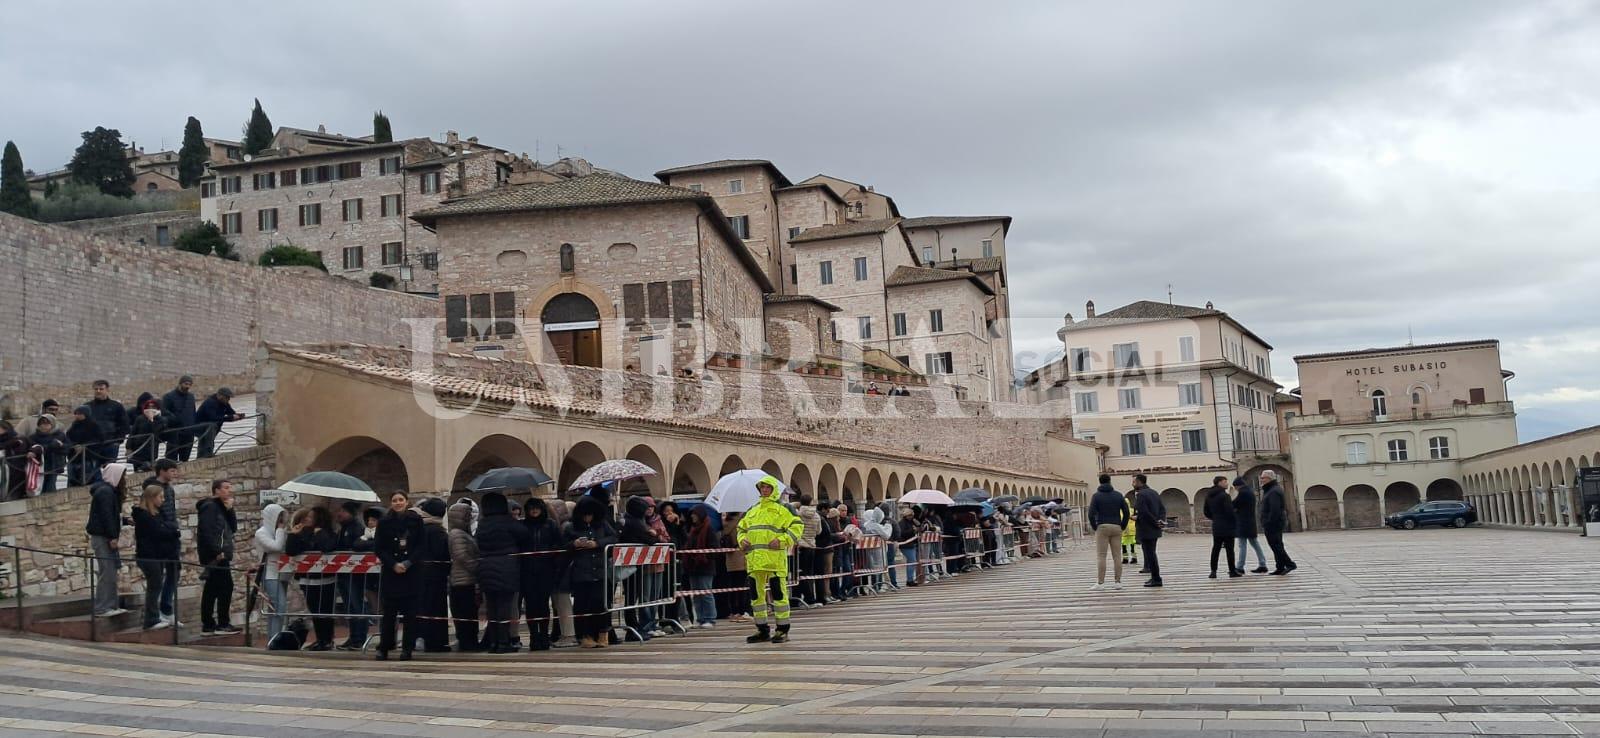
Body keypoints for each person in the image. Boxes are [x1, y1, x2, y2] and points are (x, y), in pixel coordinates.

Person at [737, 476, 801, 644]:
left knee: (779, 596)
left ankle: (782, 630)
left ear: (773, 489)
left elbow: (797, 527)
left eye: (767, 487)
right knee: (756, 597)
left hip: (774, 560)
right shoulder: (752, 509)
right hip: (754, 560)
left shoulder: (784, 508)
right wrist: (741, 540)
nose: (764, 490)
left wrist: (782, 540)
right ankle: (762, 629)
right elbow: (741, 529)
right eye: (762, 487)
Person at [475, 491, 532, 654]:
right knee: (504, 606)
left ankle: (493, 642)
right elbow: (524, 535)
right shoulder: (507, 521)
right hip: (506, 567)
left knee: (492, 607)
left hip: (485, 566)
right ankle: (504, 642)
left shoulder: (483, 524)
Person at [374, 492, 422, 661]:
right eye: (394, 500)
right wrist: (393, 564)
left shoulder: (416, 520)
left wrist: (408, 562)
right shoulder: (384, 522)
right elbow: (379, 548)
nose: (398, 503)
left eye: (401, 500)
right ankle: (384, 647)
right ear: (391, 503)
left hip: (411, 572)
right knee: (389, 614)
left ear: (407, 502)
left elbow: (421, 545)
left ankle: (407, 648)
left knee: (410, 614)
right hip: (391, 571)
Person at [564, 495, 616, 648]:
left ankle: (602, 633)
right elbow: (563, 545)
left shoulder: (602, 525)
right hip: (581, 573)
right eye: (585, 515)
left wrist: (597, 543)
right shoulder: (571, 527)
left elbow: (613, 538)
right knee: (582, 605)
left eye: (590, 515)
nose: (588, 518)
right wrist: (574, 544)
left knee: (601, 603)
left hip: (600, 572)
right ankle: (585, 635)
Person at [286, 505, 339, 651]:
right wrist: (293, 534)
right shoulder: (303, 533)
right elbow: (291, 550)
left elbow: (327, 547)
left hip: (325, 579)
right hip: (307, 579)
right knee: (315, 611)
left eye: (310, 517)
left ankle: (327, 640)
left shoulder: (328, 532)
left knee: (325, 611)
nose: (307, 519)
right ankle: (320, 639)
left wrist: (319, 534)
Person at [132, 483, 181, 630]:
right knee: (155, 586)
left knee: (157, 586)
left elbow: (164, 527)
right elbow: (159, 532)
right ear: (152, 498)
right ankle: (151, 619)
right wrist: (173, 532)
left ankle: (156, 616)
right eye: (160, 497)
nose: (163, 500)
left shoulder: (156, 514)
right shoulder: (145, 516)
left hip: (156, 555)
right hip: (148, 556)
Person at [85, 462, 131, 617]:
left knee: (111, 571)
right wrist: (112, 537)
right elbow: (106, 516)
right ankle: (101, 607)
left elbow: (111, 515)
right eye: (122, 475)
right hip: (103, 537)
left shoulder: (109, 492)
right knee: (107, 571)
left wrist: (125, 521)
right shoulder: (105, 492)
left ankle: (111, 605)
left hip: (106, 536)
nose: (124, 479)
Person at [195, 479, 240, 635]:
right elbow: (205, 531)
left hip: (222, 553)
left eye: (230, 487)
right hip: (215, 555)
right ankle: (221, 623)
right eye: (226, 488)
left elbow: (232, 528)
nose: (229, 491)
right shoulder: (210, 507)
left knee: (213, 588)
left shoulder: (222, 507)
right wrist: (216, 551)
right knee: (225, 586)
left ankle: (210, 624)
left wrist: (230, 510)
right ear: (217, 490)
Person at [521, 497, 564, 650]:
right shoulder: (523, 525)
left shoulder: (550, 525)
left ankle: (544, 635)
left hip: (546, 569)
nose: (534, 510)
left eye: (537, 507)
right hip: (527, 571)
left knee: (544, 604)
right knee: (531, 605)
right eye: (531, 508)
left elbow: (559, 543)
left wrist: (551, 555)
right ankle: (534, 636)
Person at [328, 501, 372, 651]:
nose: (339, 513)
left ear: (350, 513)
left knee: (356, 604)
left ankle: (359, 638)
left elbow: (357, 547)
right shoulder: (343, 528)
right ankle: (353, 636)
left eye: (343, 511)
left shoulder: (357, 528)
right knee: (350, 606)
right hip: (344, 573)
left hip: (354, 574)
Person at [619, 494, 663, 639]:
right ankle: (632, 627)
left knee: (633, 597)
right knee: (632, 597)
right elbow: (649, 540)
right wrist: (653, 534)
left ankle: (634, 625)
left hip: (631, 563)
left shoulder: (628, 520)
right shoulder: (635, 523)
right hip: (631, 564)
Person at [144, 459, 181, 624]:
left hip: (172, 535)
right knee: (157, 578)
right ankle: (155, 614)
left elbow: (171, 511)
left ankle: (166, 608)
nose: (175, 474)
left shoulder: (170, 490)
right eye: (172, 471)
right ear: (162, 471)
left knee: (174, 572)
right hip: (160, 537)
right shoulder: (151, 488)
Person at [414, 497, 453, 652]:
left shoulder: (419, 529)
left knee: (422, 607)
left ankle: (420, 638)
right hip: (435, 577)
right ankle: (436, 642)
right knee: (436, 609)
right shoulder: (438, 531)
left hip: (419, 575)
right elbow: (442, 554)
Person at [446, 500, 480, 652]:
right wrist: (476, 567)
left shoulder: (462, 533)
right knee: (464, 613)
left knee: (469, 613)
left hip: (466, 579)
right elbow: (461, 555)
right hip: (462, 580)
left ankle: (470, 641)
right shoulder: (457, 534)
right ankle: (467, 642)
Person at [253, 502, 290, 641]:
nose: (280, 521)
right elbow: (276, 546)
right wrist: (280, 531)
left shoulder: (279, 532)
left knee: (276, 608)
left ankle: (274, 637)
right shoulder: (261, 533)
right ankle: (275, 638)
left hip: (282, 572)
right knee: (278, 606)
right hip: (270, 574)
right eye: (278, 517)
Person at [1087, 474, 1130, 590]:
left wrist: (1095, 526)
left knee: (1101, 556)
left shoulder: (1096, 496)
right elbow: (1126, 512)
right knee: (1117, 556)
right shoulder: (1118, 495)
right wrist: (1123, 525)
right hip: (1116, 526)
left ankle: (1101, 583)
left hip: (1102, 526)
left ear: (1100, 482)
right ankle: (1118, 582)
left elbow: (1090, 514)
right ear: (1110, 481)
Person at [679, 505, 718, 628]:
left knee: (706, 593)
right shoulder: (692, 530)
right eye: (691, 514)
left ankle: (710, 618)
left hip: (705, 567)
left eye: (695, 514)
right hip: (693, 567)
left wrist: (704, 556)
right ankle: (700, 618)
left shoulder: (709, 529)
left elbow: (714, 549)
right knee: (696, 594)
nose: (692, 516)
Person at [1202, 476, 1243, 579]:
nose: (1227, 484)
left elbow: (1206, 511)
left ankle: (1213, 571)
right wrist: (1234, 521)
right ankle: (1232, 570)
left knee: (1216, 548)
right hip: (1227, 526)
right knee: (1229, 549)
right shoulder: (1224, 496)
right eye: (1225, 482)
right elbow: (1229, 511)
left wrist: (1215, 518)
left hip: (1217, 525)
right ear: (1219, 483)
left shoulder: (1209, 495)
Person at [85, 380, 128, 476]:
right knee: (92, 473)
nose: (98, 391)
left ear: (107, 390)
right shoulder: (87, 406)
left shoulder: (116, 406)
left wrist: (118, 441)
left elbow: (124, 424)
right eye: (96, 389)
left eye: (101, 389)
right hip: (92, 445)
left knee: (110, 471)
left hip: (111, 444)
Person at [1260, 470, 1298, 575]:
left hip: (1273, 523)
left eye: (1263, 478)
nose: (1261, 480)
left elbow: (1275, 509)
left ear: (1270, 478)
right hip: (1273, 522)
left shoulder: (1274, 491)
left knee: (1276, 545)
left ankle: (1290, 564)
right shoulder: (1271, 490)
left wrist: (1268, 522)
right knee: (1277, 545)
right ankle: (1280, 567)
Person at [1131, 474, 1166, 587]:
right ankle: (1154, 577)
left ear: (1139, 482)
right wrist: (1160, 521)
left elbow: (1143, 512)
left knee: (1150, 554)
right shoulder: (1154, 492)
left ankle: (1156, 579)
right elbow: (1162, 509)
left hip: (1146, 528)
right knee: (1152, 553)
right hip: (1155, 528)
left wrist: (1153, 521)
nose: (1133, 484)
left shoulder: (1141, 495)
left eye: (1134, 482)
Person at [719, 512, 752, 622]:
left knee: (733, 587)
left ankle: (734, 611)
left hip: (730, 560)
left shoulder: (726, 523)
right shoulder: (741, 522)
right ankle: (742, 611)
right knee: (742, 587)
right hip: (741, 557)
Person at [194, 387, 244, 459]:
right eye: (227, 397)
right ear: (220, 395)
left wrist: (238, 416)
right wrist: (231, 418)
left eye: (229, 397)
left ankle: (202, 457)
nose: (228, 399)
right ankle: (207, 455)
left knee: (206, 442)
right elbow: (213, 418)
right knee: (205, 441)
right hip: (201, 427)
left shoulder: (224, 403)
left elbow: (231, 413)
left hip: (212, 428)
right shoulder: (210, 403)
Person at [1232, 477, 1268, 574]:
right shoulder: (1250, 492)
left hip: (1243, 522)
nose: (1235, 489)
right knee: (1254, 543)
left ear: (1237, 486)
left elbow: (1234, 504)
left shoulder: (1243, 493)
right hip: (1250, 522)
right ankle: (1262, 563)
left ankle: (1240, 566)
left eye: (1235, 487)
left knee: (1242, 545)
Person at [65, 406, 106, 487]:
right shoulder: (74, 426)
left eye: (79, 414)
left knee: (87, 478)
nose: (77, 416)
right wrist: (74, 446)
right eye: (76, 414)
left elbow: (99, 439)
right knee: (73, 479)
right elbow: (68, 438)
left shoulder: (93, 426)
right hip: (74, 457)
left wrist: (85, 446)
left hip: (88, 457)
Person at [161, 376, 198, 462]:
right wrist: (175, 420)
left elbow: (193, 412)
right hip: (175, 431)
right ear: (180, 383)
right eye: (186, 384)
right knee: (171, 459)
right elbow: (164, 412)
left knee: (185, 458)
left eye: (189, 384)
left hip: (189, 431)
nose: (188, 386)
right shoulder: (168, 397)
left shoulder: (191, 397)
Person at [28, 414, 67, 495]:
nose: (44, 426)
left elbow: (67, 448)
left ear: (52, 424)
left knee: (50, 488)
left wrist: (61, 446)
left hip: (54, 465)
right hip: (39, 466)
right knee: (39, 488)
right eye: (42, 423)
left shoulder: (59, 435)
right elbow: (32, 447)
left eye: (47, 423)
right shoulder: (33, 437)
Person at [125, 398, 168, 472]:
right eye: (149, 407)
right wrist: (128, 447)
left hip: (151, 449)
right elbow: (133, 433)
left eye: (153, 407)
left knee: (147, 467)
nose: (150, 409)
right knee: (136, 469)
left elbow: (154, 431)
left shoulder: (161, 420)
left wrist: (151, 419)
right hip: (138, 448)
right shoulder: (140, 418)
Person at [795, 493, 821, 604]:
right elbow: (819, 531)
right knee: (808, 573)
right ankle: (810, 597)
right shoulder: (816, 515)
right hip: (811, 545)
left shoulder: (797, 514)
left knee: (798, 573)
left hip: (800, 545)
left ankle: (799, 598)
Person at [896, 506, 920, 586]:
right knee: (912, 561)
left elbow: (918, 528)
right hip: (906, 544)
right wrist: (913, 530)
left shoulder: (911, 522)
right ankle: (910, 580)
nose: (912, 517)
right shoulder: (902, 523)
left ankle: (910, 579)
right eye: (910, 515)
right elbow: (902, 533)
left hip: (911, 544)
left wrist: (918, 525)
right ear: (906, 516)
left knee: (911, 561)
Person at [1121, 491, 1139, 568]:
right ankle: (1129, 558)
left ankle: (1130, 558)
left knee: (1129, 545)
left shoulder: (1120, 512)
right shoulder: (1131, 510)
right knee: (1128, 545)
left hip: (1127, 531)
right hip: (1129, 531)